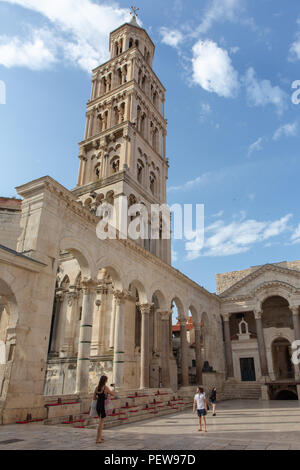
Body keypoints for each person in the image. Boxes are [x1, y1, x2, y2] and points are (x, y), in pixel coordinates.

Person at [93, 375, 115, 444]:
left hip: (98, 405)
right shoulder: (105, 388)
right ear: (105, 381)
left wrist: (99, 398)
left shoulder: (96, 388)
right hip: (103, 406)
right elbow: (113, 394)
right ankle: (97, 439)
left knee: (100, 421)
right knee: (101, 423)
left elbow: (94, 398)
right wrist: (114, 387)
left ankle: (100, 437)